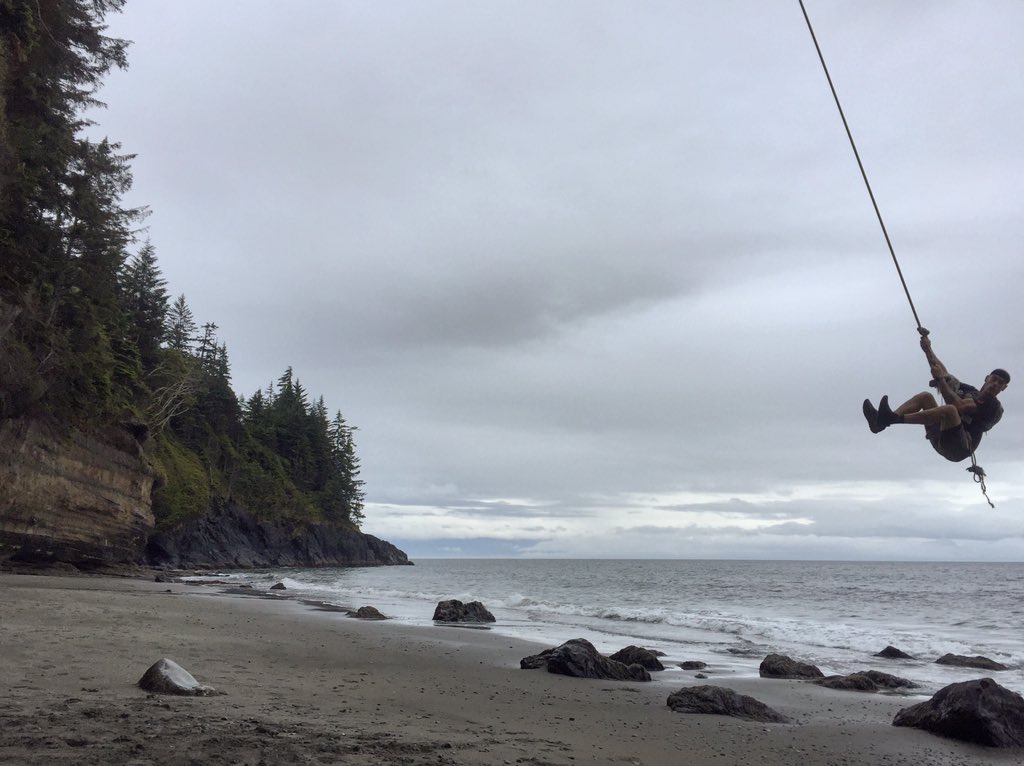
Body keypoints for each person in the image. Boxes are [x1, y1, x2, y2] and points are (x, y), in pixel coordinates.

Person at [862, 335, 1010, 463]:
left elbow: (957, 405)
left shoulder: (994, 407)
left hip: (958, 447)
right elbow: (945, 374)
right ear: (987, 378)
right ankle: (880, 423)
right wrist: (928, 350)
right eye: (994, 379)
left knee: (950, 410)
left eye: (1000, 383)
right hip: (940, 434)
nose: (995, 384)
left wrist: (940, 380)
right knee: (925, 397)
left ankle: (892, 419)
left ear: (1004, 388)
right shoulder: (970, 390)